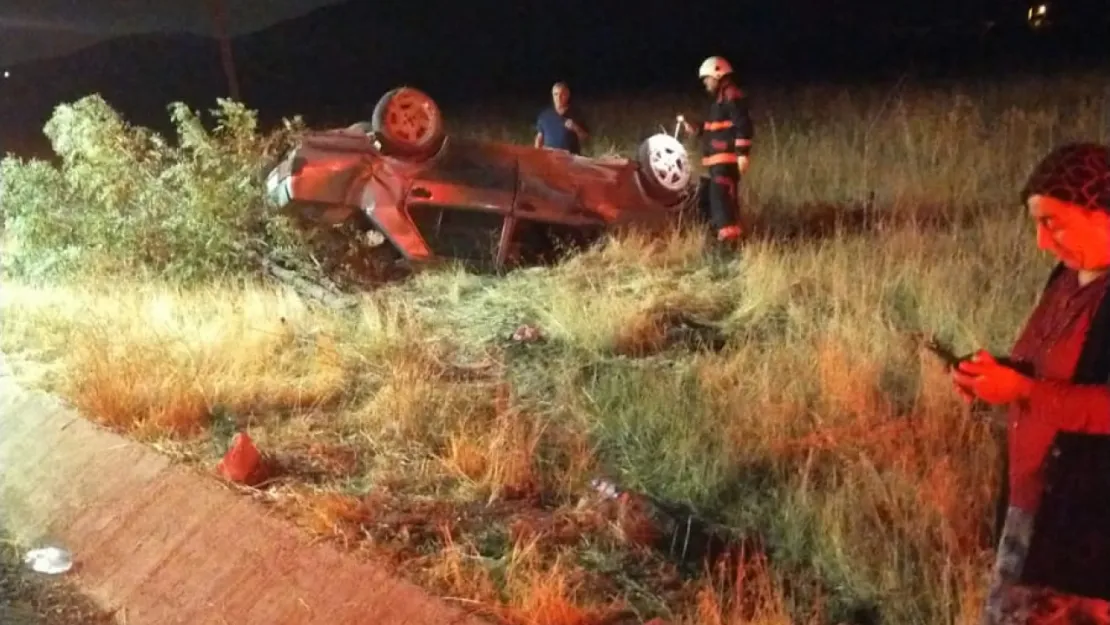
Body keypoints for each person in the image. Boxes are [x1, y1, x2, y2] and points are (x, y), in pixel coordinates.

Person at [951, 142, 1110, 624]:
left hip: (1089, 527)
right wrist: (993, 376)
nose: (1042, 242)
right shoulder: (1064, 278)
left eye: (1053, 222)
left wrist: (1021, 392)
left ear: (1101, 213)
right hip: (1032, 504)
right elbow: (1049, 369)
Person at [678, 55, 754, 247]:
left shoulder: (731, 96)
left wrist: (742, 154)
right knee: (710, 199)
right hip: (717, 163)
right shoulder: (719, 102)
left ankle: (730, 244)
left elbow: (742, 125)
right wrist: (697, 128)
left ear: (717, 74)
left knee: (723, 202)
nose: (705, 83)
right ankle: (719, 237)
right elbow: (716, 128)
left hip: (726, 162)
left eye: (707, 78)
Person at [534, 81, 589, 155]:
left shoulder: (576, 114)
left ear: (568, 95)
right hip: (550, 158)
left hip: (570, 159)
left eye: (562, 94)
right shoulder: (545, 115)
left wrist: (575, 127)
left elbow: (585, 138)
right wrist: (536, 155)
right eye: (555, 94)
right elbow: (539, 138)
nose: (558, 98)